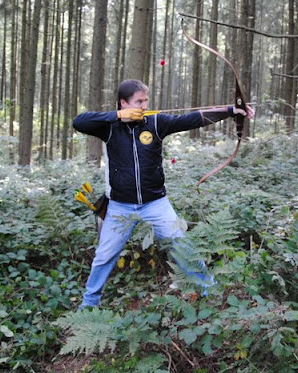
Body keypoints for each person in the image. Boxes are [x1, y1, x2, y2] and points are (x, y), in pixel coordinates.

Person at [73, 79, 254, 308]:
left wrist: (230, 110)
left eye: (146, 100)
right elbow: (79, 122)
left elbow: (190, 119)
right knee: (104, 255)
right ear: (123, 103)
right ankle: (89, 304)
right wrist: (118, 116)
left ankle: (208, 290)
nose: (144, 105)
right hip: (120, 206)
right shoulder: (109, 127)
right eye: (139, 101)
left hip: (155, 203)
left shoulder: (156, 122)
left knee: (181, 245)